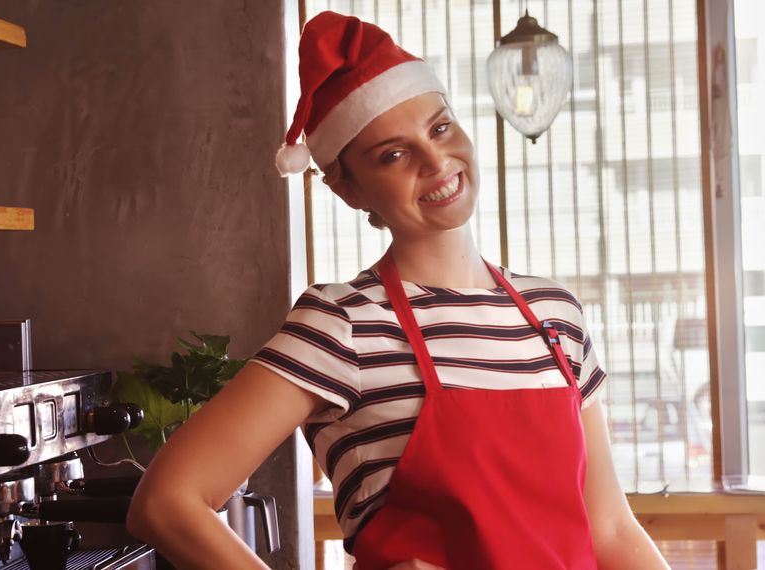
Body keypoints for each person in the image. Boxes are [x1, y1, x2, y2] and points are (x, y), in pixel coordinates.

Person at [127, 10, 670, 570]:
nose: (436, 162)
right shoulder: (343, 324)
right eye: (393, 154)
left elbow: (608, 528)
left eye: (440, 128)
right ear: (349, 189)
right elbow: (168, 501)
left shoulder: (556, 315)